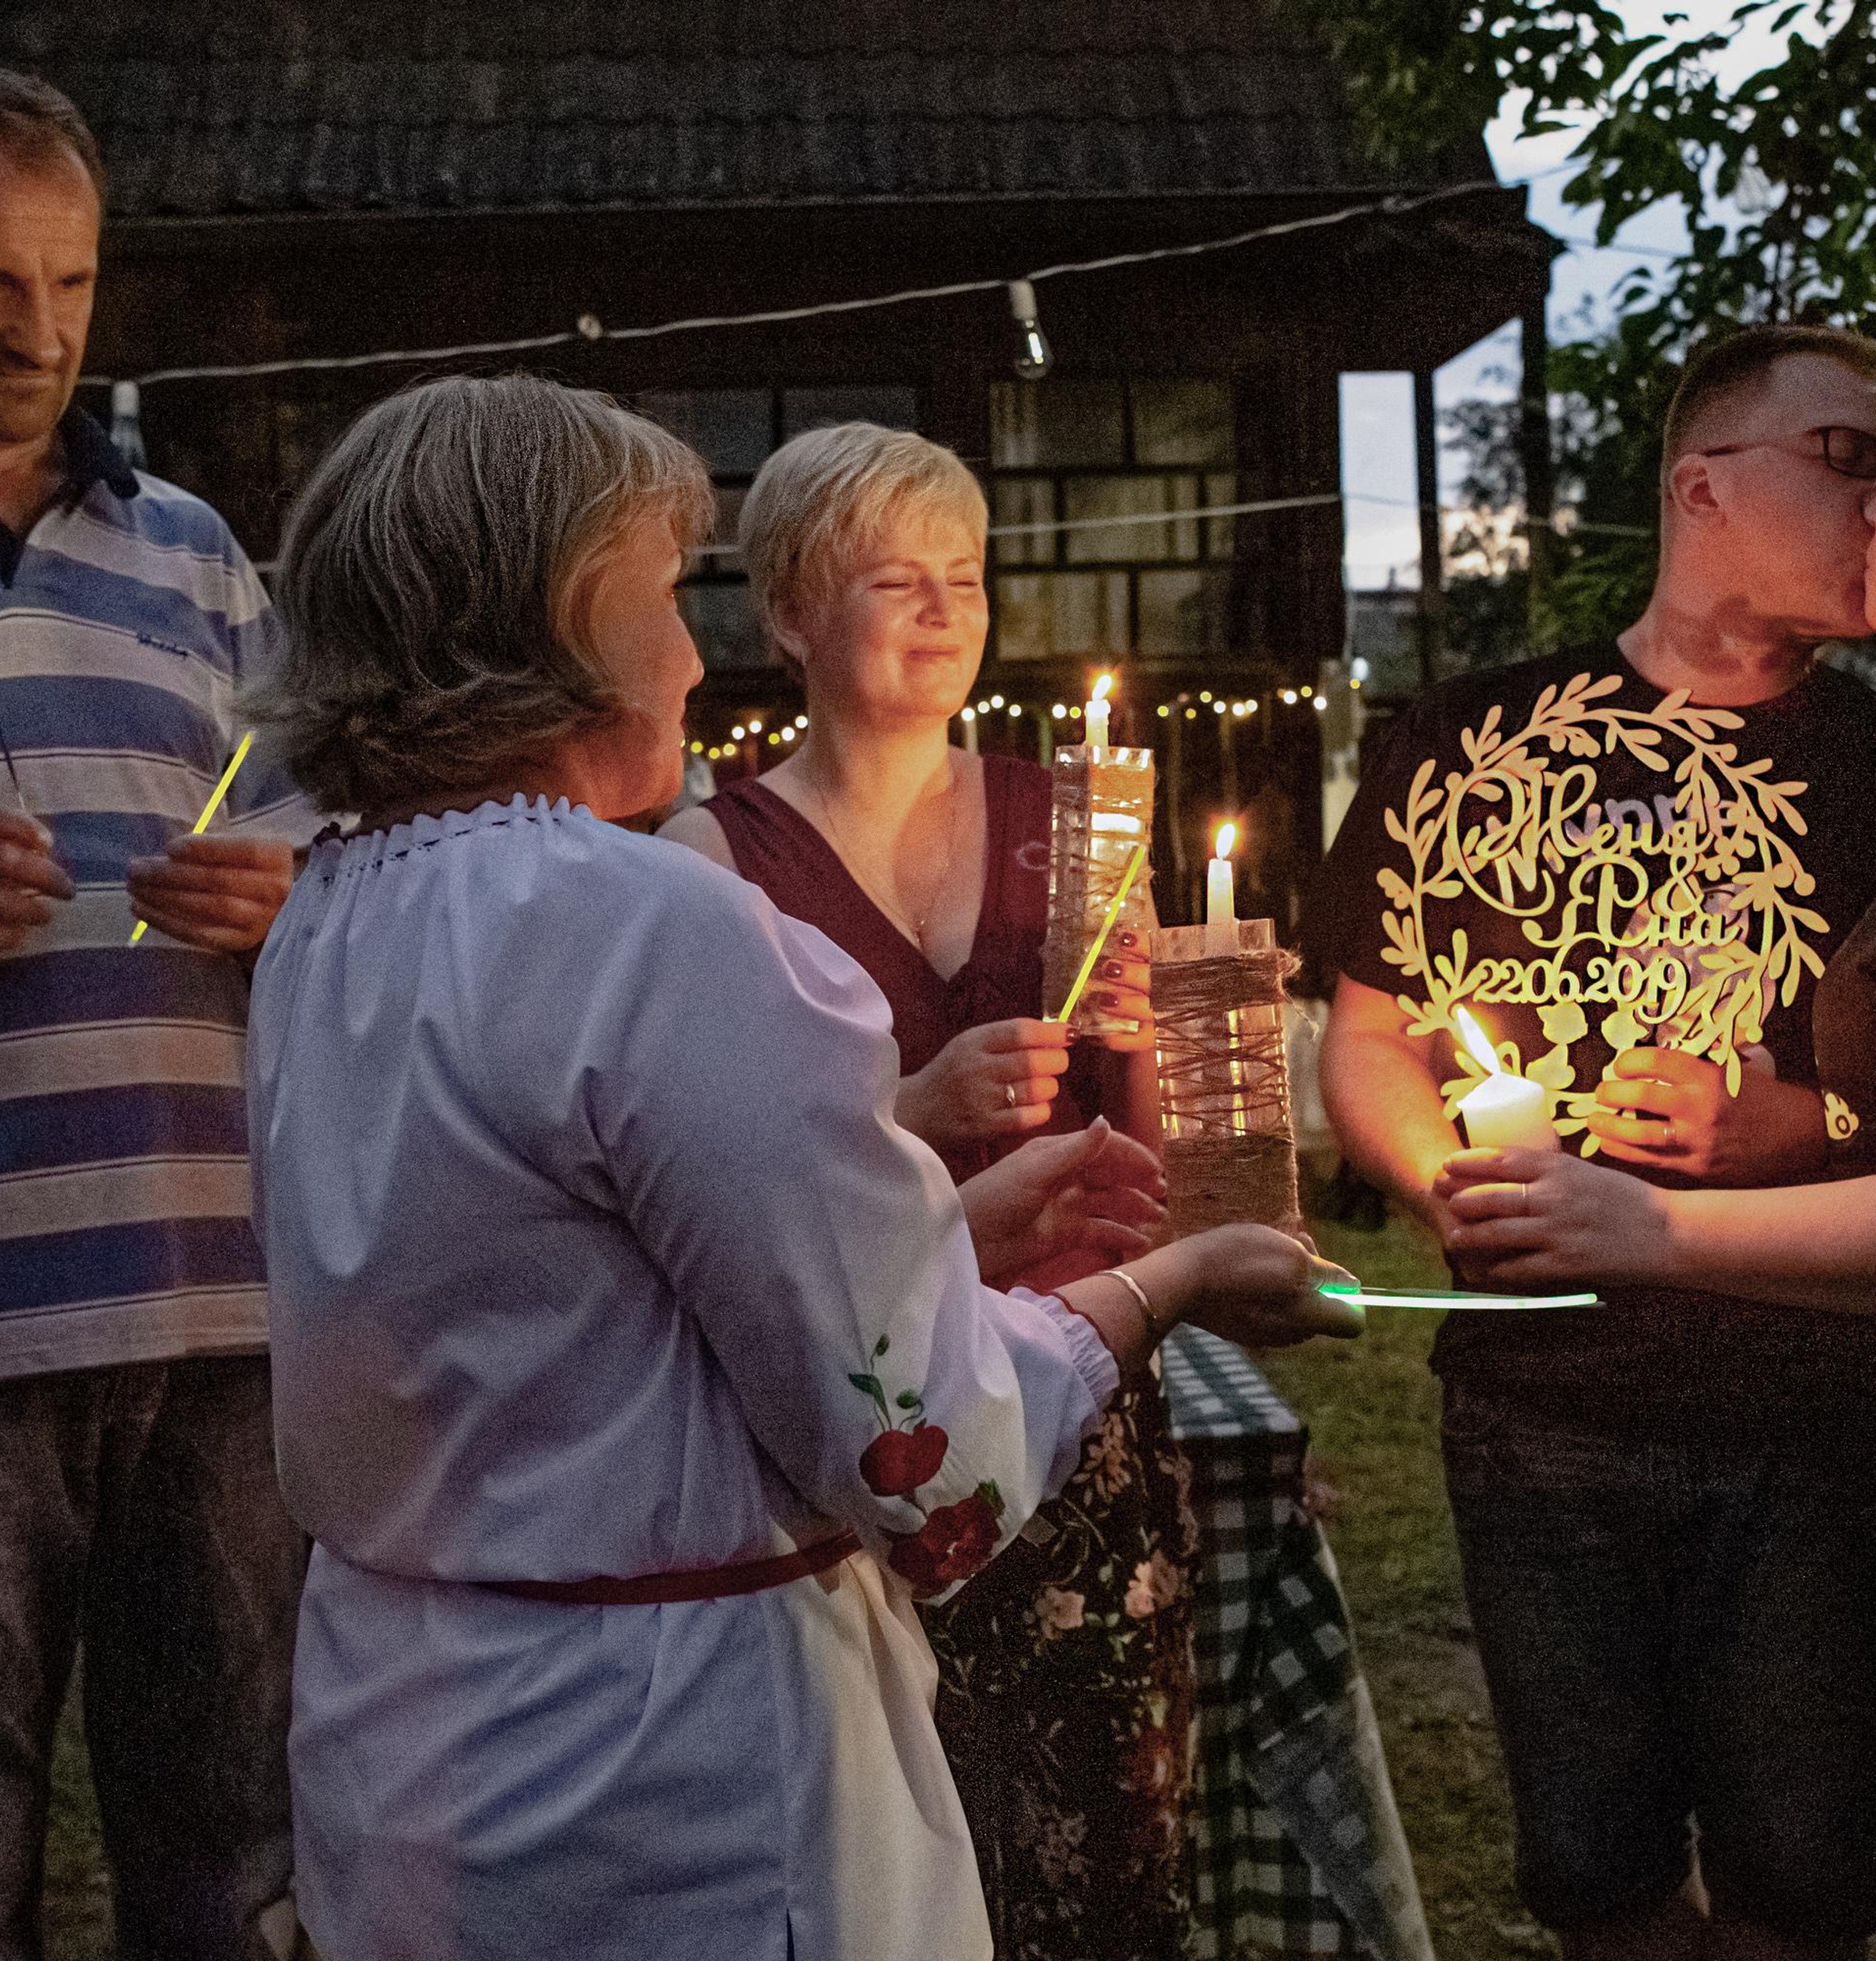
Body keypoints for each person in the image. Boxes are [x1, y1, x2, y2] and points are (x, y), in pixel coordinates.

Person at [244, 372, 1363, 1961]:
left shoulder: (333, 918)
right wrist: (1161, 1278)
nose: (692, 656)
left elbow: (587, 1310)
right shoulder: (655, 926)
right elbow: (930, 1461)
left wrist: (953, 1215)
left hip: (406, 1735)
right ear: (550, 623)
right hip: (665, 1784)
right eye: (656, 596)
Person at [1313, 324, 1876, 1961]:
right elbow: (1369, 1032)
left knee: (1802, 1877)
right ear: (1697, 485)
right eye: (1839, 454)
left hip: (1806, 1411)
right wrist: (1441, 1176)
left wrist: (1796, 1119)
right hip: (1534, 1407)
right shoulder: (1463, 734)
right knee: (1588, 1869)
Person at [661, 422, 1197, 1959]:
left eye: (960, 575)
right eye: (891, 578)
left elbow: (1148, 1119)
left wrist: (1176, 1026)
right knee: (886, 1854)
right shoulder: (714, 853)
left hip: (1082, 1390)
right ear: (785, 616)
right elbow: (719, 1182)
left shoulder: (1080, 812)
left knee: (1102, 1845)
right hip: (867, 1419)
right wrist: (910, 1105)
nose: (941, 609)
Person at [0, 71, 317, 1961]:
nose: (32, 329)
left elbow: (317, 821)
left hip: (214, 1300)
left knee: (231, 1863)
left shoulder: (196, 552)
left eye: (69, 279)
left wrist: (290, 892)